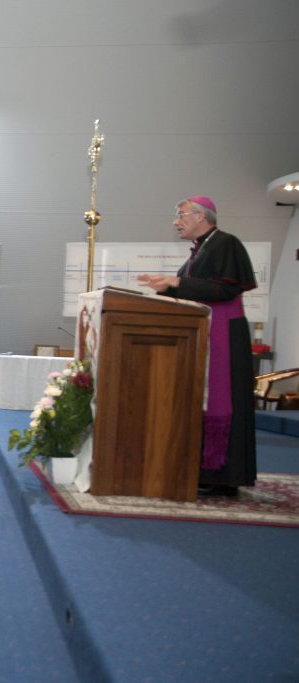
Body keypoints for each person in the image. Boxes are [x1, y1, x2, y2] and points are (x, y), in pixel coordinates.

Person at [138, 196, 257, 495]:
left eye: (180, 215)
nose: (176, 221)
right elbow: (191, 291)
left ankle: (226, 475)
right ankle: (205, 468)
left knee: (223, 399)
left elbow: (226, 289)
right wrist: (164, 287)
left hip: (224, 333)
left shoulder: (225, 243)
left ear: (201, 216)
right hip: (204, 331)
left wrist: (175, 283)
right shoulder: (199, 251)